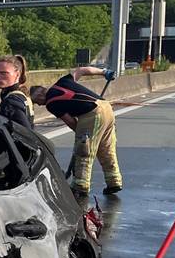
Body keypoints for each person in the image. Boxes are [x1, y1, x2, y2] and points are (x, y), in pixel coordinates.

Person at [29, 66, 121, 198]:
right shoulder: (63, 81)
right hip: (106, 108)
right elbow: (82, 70)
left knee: (84, 150)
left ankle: (80, 186)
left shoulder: (51, 103)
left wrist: (82, 136)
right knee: (106, 148)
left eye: (36, 102)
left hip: (91, 114)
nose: (39, 105)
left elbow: (70, 121)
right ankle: (114, 182)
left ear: (39, 95)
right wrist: (104, 72)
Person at [0, 54, 33, 130]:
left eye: (3, 73)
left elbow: (26, 133)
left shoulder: (12, 101)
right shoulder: (21, 94)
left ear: (17, 74)